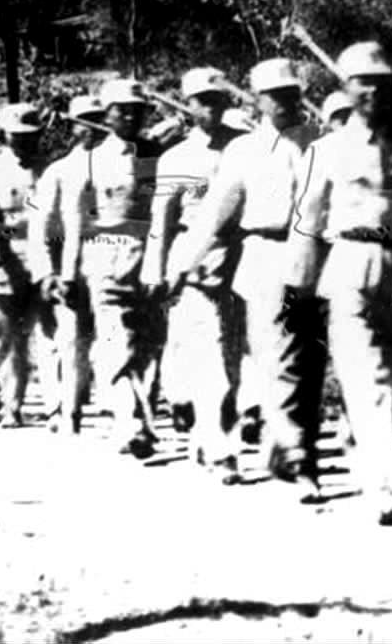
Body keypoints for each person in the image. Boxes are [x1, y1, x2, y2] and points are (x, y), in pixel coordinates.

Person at [169, 58, 324, 500]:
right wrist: (181, 265)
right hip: (266, 255)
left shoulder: (321, 142)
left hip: (317, 256)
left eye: (292, 94)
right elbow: (214, 213)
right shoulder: (244, 151)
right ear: (257, 100)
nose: (286, 103)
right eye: (275, 96)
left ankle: (288, 449)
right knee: (276, 357)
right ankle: (295, 456)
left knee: (311, 361)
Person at [289, 41, 392, 525]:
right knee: (367, 377)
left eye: (382, 84)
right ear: (346, 87)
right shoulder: (326, 151)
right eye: (364, 83)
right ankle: (384, 487)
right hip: (349, 262)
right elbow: (307, 220)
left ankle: (365, 453)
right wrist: (299, 288)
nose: (373, 92)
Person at [144, 67, 247, 481]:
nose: (211, 108)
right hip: (195, 264)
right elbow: (162, 220)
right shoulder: (177, 158)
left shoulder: (245, 148)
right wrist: (156, 271)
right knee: (211, 356)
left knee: (233, 359)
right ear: (187, 105)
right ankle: (222, 449)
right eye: (202, 101)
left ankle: (205, 438)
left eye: (217, 100)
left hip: (242, 261)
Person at [59, 79, 163, 458]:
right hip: (107, 254)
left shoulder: (159, 155)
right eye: (122, 110)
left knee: (149, 342)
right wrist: (68, 274)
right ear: (107, 115)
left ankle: (143, 419)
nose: (131, 117)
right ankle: (130, 421)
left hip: (152, 254)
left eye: (138, 110)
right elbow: (75, 220)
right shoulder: (92, 160)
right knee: (116, 339)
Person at [0, 104, 54, 428]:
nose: (23, 142)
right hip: (7, 259)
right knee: (8, 335)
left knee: (51, 333)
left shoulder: (52, 169)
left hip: (48, 258)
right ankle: (12, 404)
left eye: (30, 136)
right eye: (16, 136)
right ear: (4, 135)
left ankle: (57, 406)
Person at [29, 95, 105, 433]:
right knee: (70, 341)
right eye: (84, 122)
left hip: (114, 263)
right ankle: (65, 410)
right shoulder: (58, 171)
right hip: (71, 267)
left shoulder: (118, 165)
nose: (92, 128)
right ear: (73, 127)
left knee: (112, 339)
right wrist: (47, 272)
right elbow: (41, 225)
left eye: (98, 119)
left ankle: (117, 412)